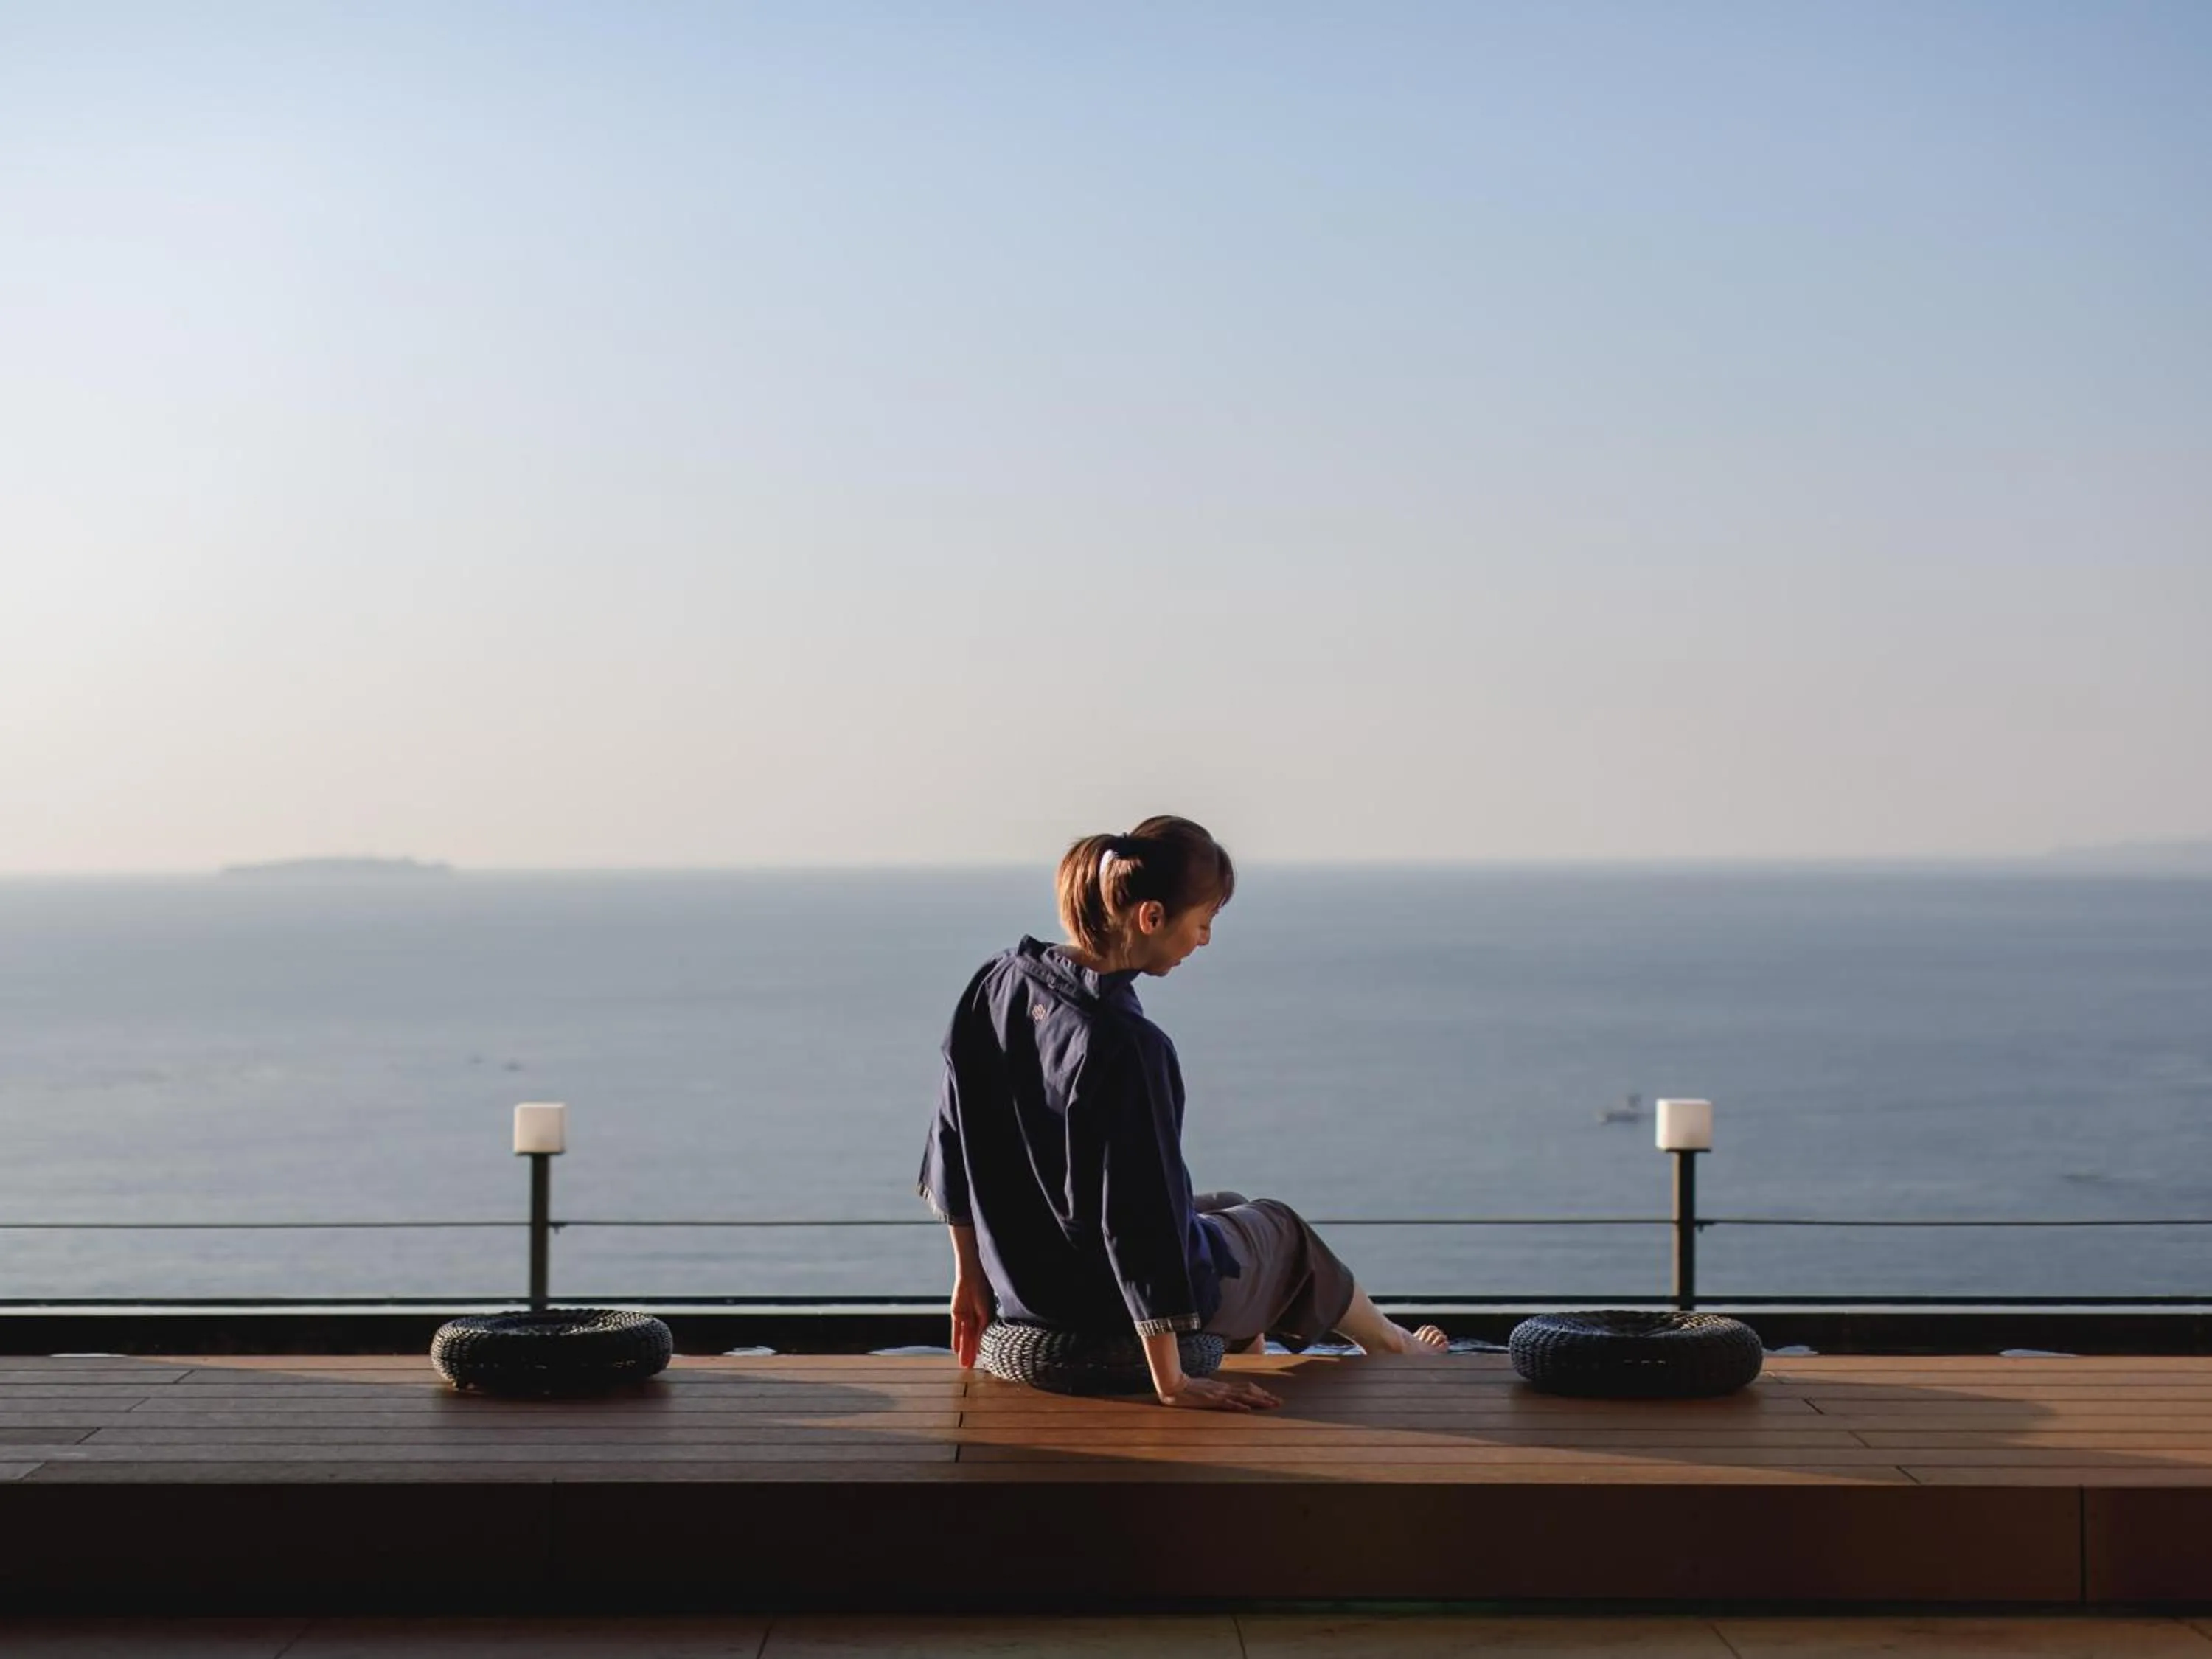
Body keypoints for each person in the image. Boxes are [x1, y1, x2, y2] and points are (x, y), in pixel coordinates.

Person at [917, 815, 1449, 1413]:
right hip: (1097, 1301)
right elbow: (1137, 1217)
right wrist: (1173, 1382)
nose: (1205, 939)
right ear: (1150, 917)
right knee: (1282, 1229)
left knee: (1225, 1203)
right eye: (1204, 921)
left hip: (1019, 1277)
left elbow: (951, 1138)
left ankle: (1252, 1358)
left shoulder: (999, 981)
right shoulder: (1123, 1044)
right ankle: (1396, 1347)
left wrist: (969, 1278)